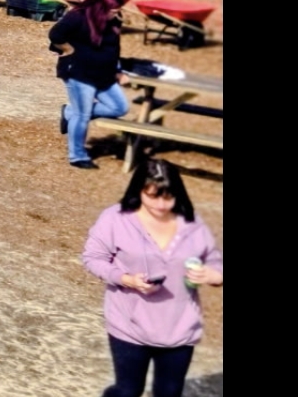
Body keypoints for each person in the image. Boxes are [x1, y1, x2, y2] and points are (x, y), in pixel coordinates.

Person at [81, 159, 221, 397]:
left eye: (168, 197)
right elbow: (93, 257)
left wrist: (212, 274)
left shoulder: (191, 222)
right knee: (127, 391)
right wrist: (125, 278)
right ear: (138, 191)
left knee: (169, 393)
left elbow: (215, 260)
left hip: (180, 329)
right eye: (153, 196)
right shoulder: (115, 219)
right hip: (130, 325)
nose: (161, 205)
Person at [53, 0, 131, 169]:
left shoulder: (114, 22)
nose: (116, 14)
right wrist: (67, 49)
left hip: (104, 74)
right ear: (100, 7)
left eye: (118, 10)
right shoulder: (78, 17)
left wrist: (117, 71)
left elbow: (114, 49)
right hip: (79, 73)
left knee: (120, 107)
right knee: (83, 115)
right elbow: (55, 35)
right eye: (113, 10)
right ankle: (77, 156)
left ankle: (68, 113)